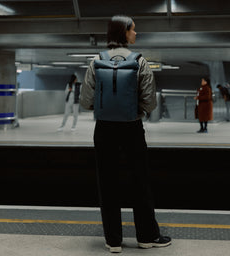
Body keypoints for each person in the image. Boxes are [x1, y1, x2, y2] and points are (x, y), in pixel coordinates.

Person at [80, 15, 171, 253]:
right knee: (140, 181)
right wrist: (136, 109)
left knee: (107, 183)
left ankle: (113, 240)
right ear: (124, 32)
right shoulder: (140, 62)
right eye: (133, 29)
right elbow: (150, 102)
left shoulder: (95, 61)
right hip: (131, 127)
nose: (136, 33)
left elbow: (86, 100)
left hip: (104, 129)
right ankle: (147, 237)